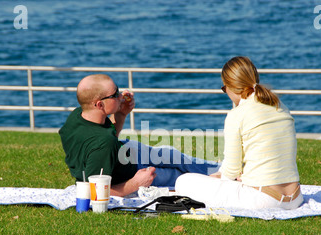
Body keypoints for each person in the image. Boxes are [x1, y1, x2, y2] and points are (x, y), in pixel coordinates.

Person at [59, 74, 219, 197]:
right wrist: (136, 183)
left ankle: (223, 171)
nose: (121, 96)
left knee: (173, 154)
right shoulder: (103, 144)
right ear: (99, 104)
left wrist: (121, 114)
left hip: (126, 154)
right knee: (178, 176)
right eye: (115, 94)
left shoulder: (80, 114)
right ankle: (223, 181)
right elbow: (94, 192)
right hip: (132, 173)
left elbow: (106, 139)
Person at [175, 56, 303, 210]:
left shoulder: (237, 115)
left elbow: (231, 171)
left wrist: (217, 178)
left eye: (224, 89)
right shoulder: (279, 105)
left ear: (230, 87)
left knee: (182, 182)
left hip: (264, 200)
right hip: (295, 197)